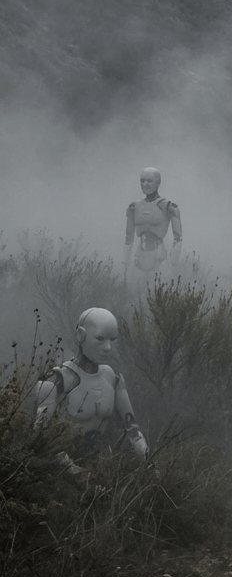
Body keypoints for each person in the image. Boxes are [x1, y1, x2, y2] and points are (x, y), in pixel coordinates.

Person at [34, 307, 148, 458]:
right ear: (81, 335)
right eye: (100, 339)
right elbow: (40, 440)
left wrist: (147, 462)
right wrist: (72, 473)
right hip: (63, 469)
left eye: (112, 340)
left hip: (102, 464)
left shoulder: (113, 378)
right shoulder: (55, 381)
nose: (108, 348)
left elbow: (133, 430)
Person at [123, 168, 182, 272]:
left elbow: (178, 238)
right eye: (142, 180)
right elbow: (128, 238)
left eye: (149, 181)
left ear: (158, 182)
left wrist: (173, 262)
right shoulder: (134, 207)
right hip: (139, 260)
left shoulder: (167, 206)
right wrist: (125, 262)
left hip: (160, 260)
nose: (145, 184)